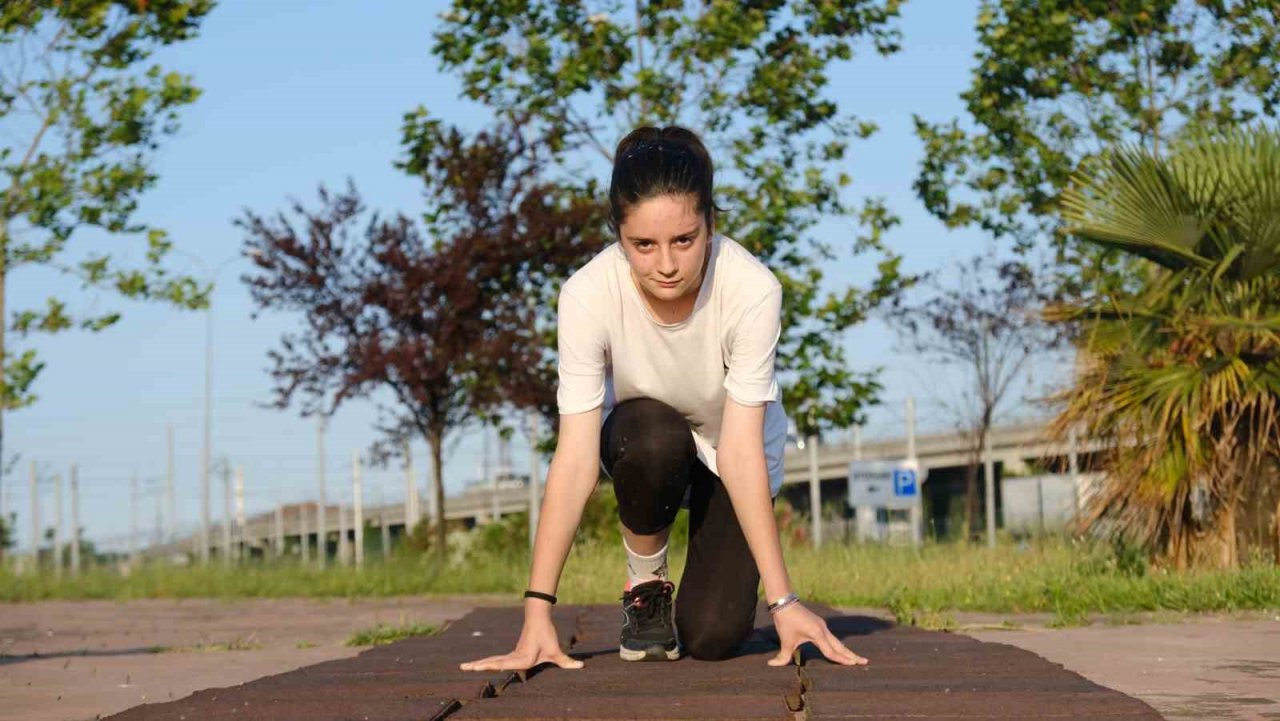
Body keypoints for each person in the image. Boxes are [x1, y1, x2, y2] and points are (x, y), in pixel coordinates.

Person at [460, 125, 869, 671]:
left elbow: (740, 450)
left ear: (711, 225)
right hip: (647, 442)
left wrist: (784, 601)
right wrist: (537, 611)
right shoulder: (586, 295)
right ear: (618, 235)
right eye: (643, 246)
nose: (667, 265)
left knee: (713, 637)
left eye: (684, 240)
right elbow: (576, 458)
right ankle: (646, 585)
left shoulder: (752, 290)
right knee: (655, 435)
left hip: (732, 454)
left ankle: (713, 605)